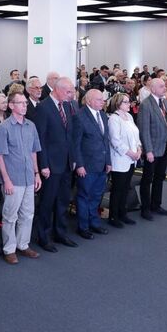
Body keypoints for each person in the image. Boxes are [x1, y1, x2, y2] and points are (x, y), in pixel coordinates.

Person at [0, 92, 42, 264]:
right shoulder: (3, 128)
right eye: (20, 103)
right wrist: (6, 179)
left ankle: (23, 244)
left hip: (29, 176)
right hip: (12, 179)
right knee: (10, 215)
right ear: (11, 106)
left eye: (25, 103)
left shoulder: (31, 126)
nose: (24, 106)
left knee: (28, 213)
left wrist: (36, 174)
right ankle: (9, 249)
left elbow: (33, 152)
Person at [33, 77, 79, 252]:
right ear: (57, 89)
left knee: (62, 201)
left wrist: (73, 158)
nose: (71, 94)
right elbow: (41, 140)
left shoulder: (67, 106)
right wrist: (43, 165)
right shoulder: (43, 108)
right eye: (68, 91)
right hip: (50, 165)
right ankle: (43, 236)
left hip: (66, 163)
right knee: (47, 202)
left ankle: (60, 233)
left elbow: (70, 135)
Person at [69, 89, 112, 239]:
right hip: (86, 165)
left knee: (96, 195)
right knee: (84, 196)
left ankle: (95, 223)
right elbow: (76, 144)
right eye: (99, 99)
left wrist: (108, 161)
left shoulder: (102, 115)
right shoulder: (79, 117)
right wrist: (79, 165)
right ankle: (83, 226)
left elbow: (105, 140)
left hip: (101, 164)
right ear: (89, 101)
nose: (103, 102)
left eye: (103, 99)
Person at [137, 78, 167, 220]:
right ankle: (145, 208)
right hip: (152, 149)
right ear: (152, 89)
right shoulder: (146, 105)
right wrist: (148, 150)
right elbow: (144, 130)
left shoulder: (164, 102)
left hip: (164, 147)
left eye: (164, 86)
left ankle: (156, 205)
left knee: (160, 177)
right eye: (161, 86)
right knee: (147, 179)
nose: (164, 88)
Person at [107, 93, 141, 227]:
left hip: (131, 159)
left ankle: (123, 213)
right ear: (118, 104)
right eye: (126, 102)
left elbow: (135, 136)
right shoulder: (114, 119)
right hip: (120, 159)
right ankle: (113, 216)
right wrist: (130, 153)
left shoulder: (130, 117)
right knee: (117, 189)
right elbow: (115, 141)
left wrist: (139, 149)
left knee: (126, 187)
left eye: (129, 101)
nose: (129, 104)